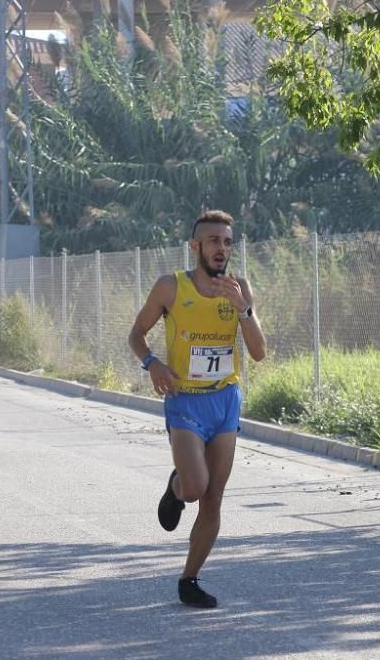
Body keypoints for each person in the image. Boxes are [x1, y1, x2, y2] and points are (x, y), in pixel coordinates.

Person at [128, 210, 267, 608]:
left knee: (213, 497)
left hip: (225, 400)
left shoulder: (240, 289)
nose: (221, 249)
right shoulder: (171, 287)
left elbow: (258, 353)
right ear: (195, 246)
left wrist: (243, 309)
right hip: (184, 400)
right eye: (213, 241)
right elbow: (136, 334)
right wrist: (152, 363)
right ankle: (176, 487)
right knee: (195, 487)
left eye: (227, 242)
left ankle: (189, 579)